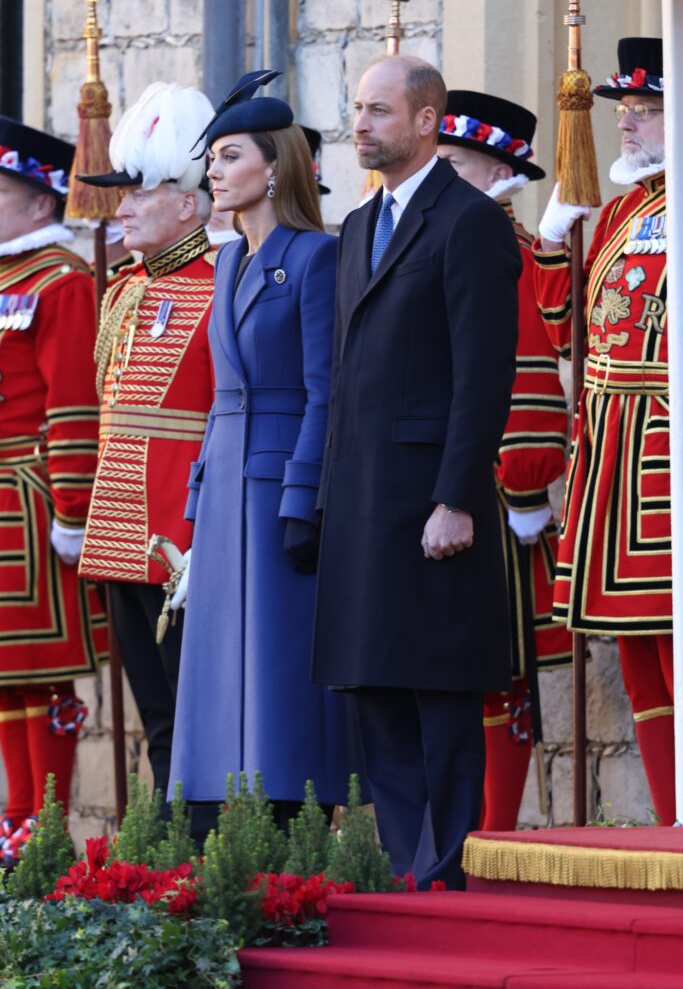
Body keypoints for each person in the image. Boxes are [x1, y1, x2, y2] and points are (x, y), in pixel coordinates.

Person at [312, 56, 521, 887]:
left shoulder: (467, 221)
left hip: (429, 498)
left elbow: (482, 373)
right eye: (356, 110)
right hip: (362, 498)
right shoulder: (359, 227)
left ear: (427, 120)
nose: (358, 125)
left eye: (377, 111)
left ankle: (447, 864)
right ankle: (408, 867)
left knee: (435, 687)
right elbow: (344, 372)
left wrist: (455, 497)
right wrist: (329, 497)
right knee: (371, 689)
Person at [168, 70, 364, 828]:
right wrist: (196, 496)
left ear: (274, 166)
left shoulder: (314, 257)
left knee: (277, 669)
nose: (213, 171)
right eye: (211, 159)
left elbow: (325, 390)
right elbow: (222, 393)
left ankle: (290, 816)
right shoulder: (225, 262)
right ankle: (217, 818)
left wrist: (302, 497)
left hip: (279, 482)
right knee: (217, 667)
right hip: (225, 485)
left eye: (228, 155)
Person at [534, 38, 674, 822]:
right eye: (625, 111)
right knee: (634, 650)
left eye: (647, 112)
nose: (627, 126)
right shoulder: (623, 208)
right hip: (610, 446)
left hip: (663, 448)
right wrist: (553, 243)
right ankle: (667, 817)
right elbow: (563, 328)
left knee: (671, 637)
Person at [77, 82, 217, 838]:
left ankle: (196, 851)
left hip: (181, 539)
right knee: (155, 718)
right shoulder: (124, 291)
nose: (121, 207)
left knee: (195, 714)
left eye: (139, 192)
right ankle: (161, 850)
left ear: (189, 204)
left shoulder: (223, 285)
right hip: (118, 532)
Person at [437, 91, 571, 831]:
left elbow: (522, 374)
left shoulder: (504, 248)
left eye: (452, 164)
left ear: (495, 169)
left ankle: (490, 828)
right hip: (425, 483)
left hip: (486, 492)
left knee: (495, 668)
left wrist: (522, 490)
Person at [0, 117, 106, 863]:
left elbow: (73, 402)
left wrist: (73, 508)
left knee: (40, 673)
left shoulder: (62, 281)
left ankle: (46, 823)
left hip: (31, 496)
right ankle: (14, 820)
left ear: (40, 203)